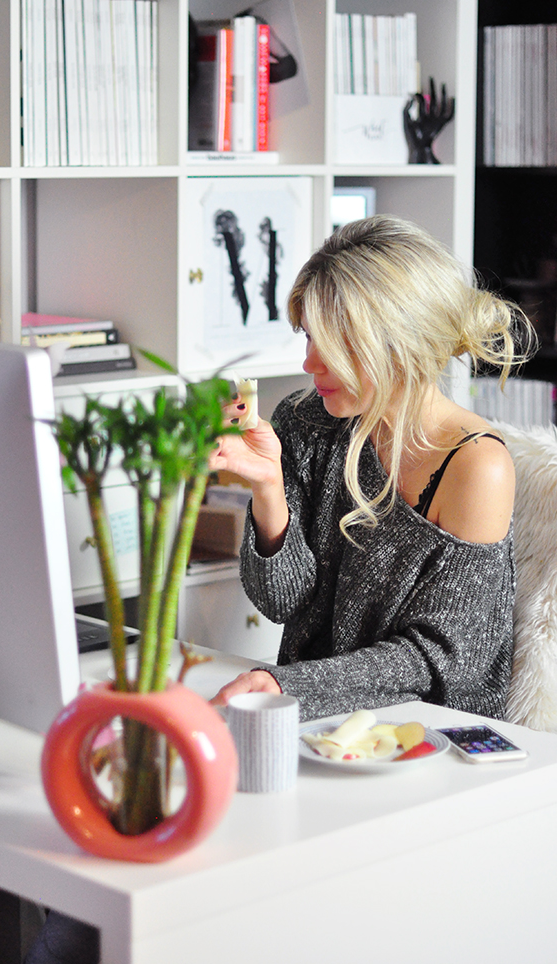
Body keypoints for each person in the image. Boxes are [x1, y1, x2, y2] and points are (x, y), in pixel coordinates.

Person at [210, 215, 533, 723]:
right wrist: (268, 486)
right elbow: (281, 601)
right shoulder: (303, 421)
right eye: (308, 338)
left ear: (398, 341)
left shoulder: (476, 466)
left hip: (429, 737)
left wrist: (288, 684)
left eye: (333, 344)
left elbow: (441, 660)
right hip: (317, 725)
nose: (309, 363)